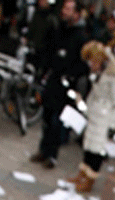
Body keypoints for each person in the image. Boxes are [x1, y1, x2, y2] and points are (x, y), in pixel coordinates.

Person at [29, 0, 89, 169]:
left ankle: (52, 154)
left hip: (67, 84)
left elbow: (84, 65)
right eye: (64, 8)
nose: (64, 11)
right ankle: (43, 150)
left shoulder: (81, 37)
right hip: (53, 79)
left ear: (77, 14)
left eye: (69, 9)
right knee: (47, 117)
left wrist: (71, 74)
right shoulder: (58, 29)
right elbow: (49, 51)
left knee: (58, 120)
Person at [67, 39, 115, 193]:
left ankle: (89, 180)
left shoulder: (111, 77)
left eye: (92, 61)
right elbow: (93, 94)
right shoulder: (99, 73)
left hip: (105, 118)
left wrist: (113, 125)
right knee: (89, 146)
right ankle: (82, 174)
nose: (90, 65)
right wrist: (85, 109)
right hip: (95, 114)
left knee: (97, 150)